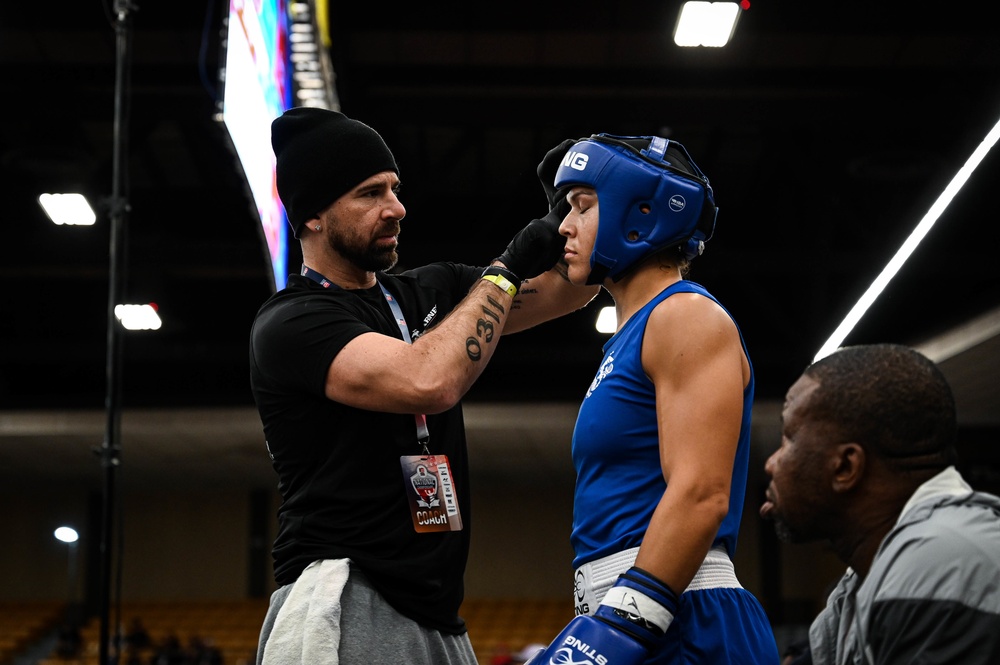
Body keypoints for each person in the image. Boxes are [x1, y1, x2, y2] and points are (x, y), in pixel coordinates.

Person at [249, 107, 598, 665]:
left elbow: (566, 290)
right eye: (370, 194)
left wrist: (583, 211)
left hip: (438, 612)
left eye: (394, 188)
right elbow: (428, 381)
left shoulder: (428, 290)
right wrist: (505, 269)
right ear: (312, 214)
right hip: (345, 595)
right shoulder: (292, 322)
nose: (396, 208)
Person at [525, 134, 779, 665]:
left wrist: (626, 621)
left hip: (681, 614)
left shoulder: (685, 316)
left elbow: (700, 492)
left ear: (640, 212)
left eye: (582, 206)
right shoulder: (634, 333)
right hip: (642, 607)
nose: (563, 227)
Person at [760, 343, 1000, 664]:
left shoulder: (941, 562)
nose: (771, 463)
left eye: (788, 438)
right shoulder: (862, 582)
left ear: (845, 467)